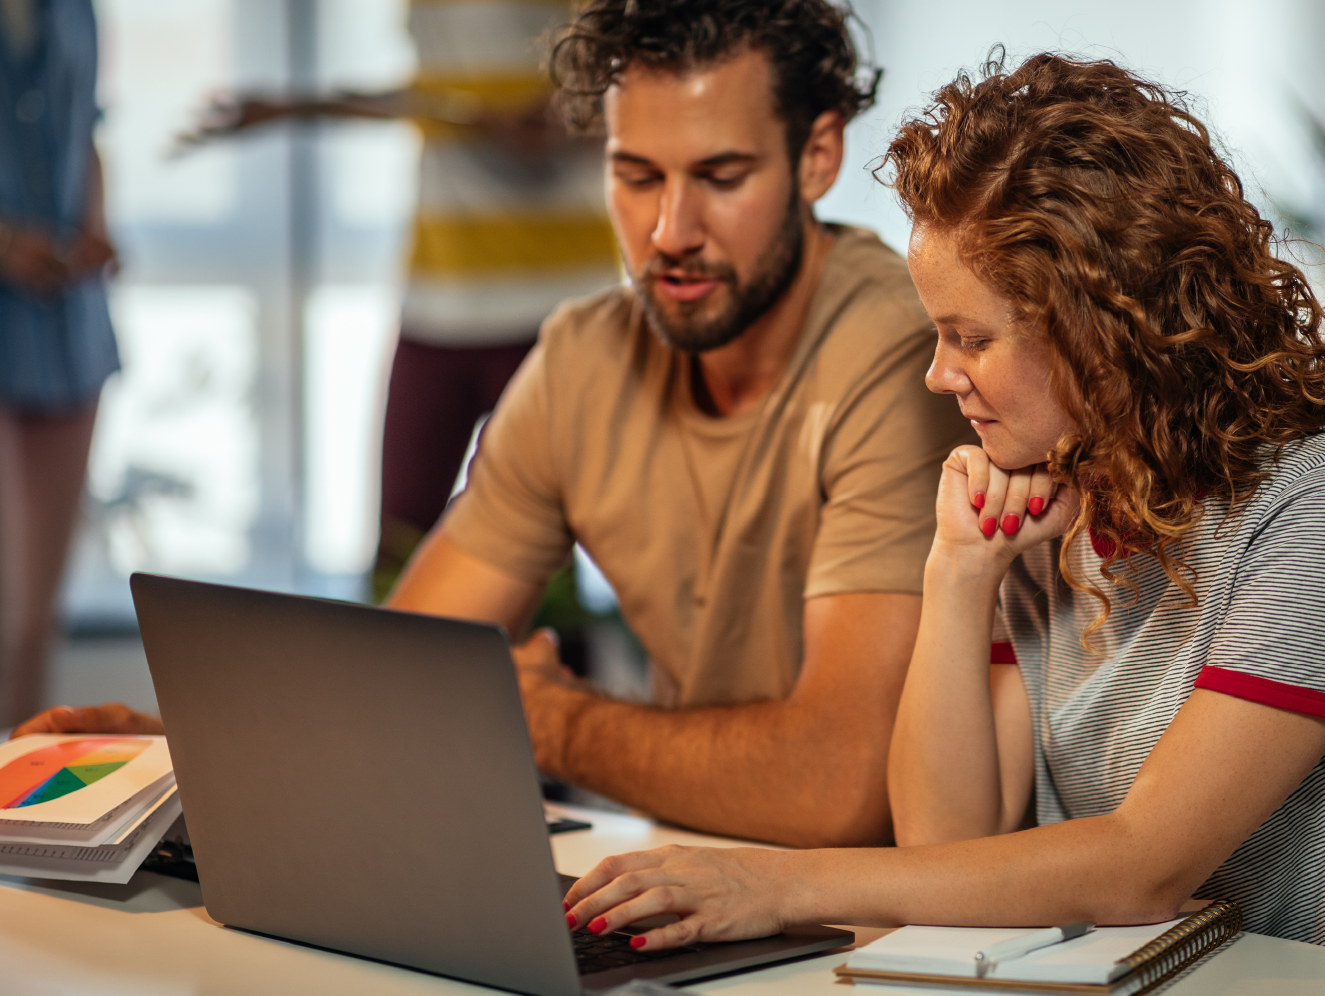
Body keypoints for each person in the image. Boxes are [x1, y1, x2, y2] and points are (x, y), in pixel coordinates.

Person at [557, 54, 1325, 982]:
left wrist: (775, 882)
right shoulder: (1059, 496)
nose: (936, 373)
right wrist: (958, 574)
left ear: (1099, 333)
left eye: (967, 337)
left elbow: (1140, 867)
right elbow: (948, 852)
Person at [14, 0, 973, 851]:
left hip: (898, 921)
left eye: (720, 176)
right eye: (635, 175)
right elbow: (402, 677)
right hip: (696, 874)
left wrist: (553, 724)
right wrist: (167, 744)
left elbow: (839, 788)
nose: (670, 230)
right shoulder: (585, 358)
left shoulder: (899, 356)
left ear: (818, 156)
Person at [177, 0, 619, 593]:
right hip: (439, 303)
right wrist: (294, 106)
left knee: (542, 572)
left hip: (559, 311)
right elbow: (429, 93)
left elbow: (652, 79)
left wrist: (585, 117)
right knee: (400, 549)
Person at [0, 0, 118, 728]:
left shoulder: (77, 10)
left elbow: (89, 132)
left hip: (68, 323)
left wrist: (98, 226)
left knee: (35, 618)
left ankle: (20, 818)